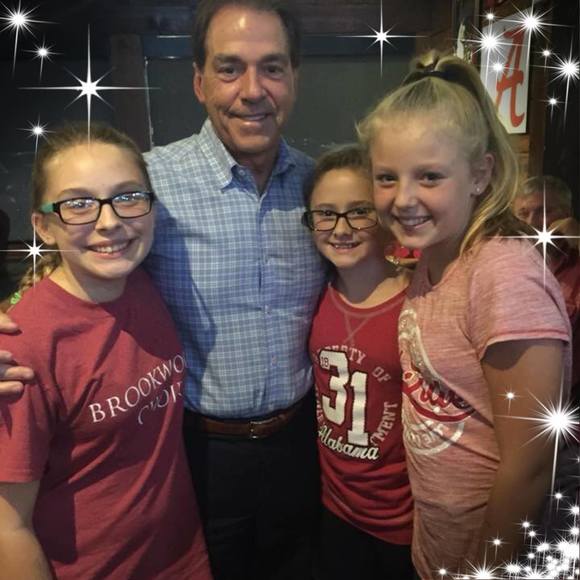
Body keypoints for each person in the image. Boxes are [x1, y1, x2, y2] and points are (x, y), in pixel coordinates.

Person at [0, 2, 325, 579]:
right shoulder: (147, 186)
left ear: (294, 78)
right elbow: (80, 262)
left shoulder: (319, 188)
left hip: (303, 443)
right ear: (199, 82)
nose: (253, 90)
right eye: (229, 68)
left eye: (272, 67)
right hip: (193, 454)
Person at [358, 53, 571, 577]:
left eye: (429, 176)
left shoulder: (503, 273)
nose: (403, 198)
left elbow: (532, 462)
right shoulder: (434, 258)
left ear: (480, 174)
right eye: (386, 177)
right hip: (439, 551)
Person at [0, 123, 212, 579]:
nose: (109, 221)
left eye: (128, 196)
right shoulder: (20, 349)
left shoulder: (142, 281)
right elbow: (8, 527)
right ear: (43, 226)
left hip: (182, 557)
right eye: (77, 204)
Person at [303, 145, 414, 579]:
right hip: (334, 508)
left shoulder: (415, 304)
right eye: (326, 214)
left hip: (402, 520)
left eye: (359, 212)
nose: (341, 228)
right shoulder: (316, 295)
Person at [513, 176, 580, 406]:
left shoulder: (575, 263)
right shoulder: (504, 260)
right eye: (523, 213)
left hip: (567, 399)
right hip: (512, 389)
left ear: (567, 214)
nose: (532, 222)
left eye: (544, 211)